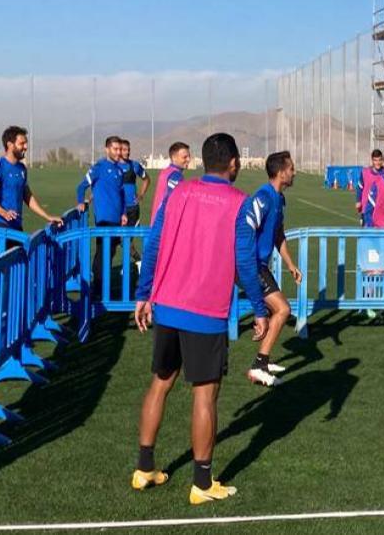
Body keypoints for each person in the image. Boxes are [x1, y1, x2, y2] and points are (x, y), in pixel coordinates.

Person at [131, 133, 270, 504]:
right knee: (205, 396)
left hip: (167, 304)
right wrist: (259, 308)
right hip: (205, 312)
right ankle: (203, 483)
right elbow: (245, 261)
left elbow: (153, 241)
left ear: (203, 161)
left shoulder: (179, 191)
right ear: (234, 163)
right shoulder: (240, 203)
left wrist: (144, 293)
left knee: (160, 383)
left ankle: (144, 468)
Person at [242, 151, 304, 387]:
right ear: (280, 173)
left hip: (261, 266)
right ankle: (259, 365)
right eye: (291, 169)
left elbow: (278, 235)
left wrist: (290, 264)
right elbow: (246, 229)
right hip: (251, 265)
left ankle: (263, 362)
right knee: (283, 309)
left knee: (278, 310)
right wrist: (245, 264)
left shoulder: (280, 199)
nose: (294, 173)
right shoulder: (263, 197)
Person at [0, 126, 63, 239]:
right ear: (10, 145)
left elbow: (28, 197)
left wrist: (47, 216)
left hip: (16, 226)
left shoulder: (22, 169)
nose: (25, 147)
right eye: (22, 143)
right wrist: (4, 213)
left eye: (26, 143)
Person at [76, 136, 127, 296]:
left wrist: (124, 213)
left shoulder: (119, 170)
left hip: (117, 219)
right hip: (104, 219)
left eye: (120, 149)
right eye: (115, 149)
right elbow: (81, 186)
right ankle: (97, 288)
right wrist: (80, 202)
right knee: (102, 253)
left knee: (110, 252)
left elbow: (121, 194)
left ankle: (102, 286)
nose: (118, 152)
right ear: (107, 149)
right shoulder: (99, 167)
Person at [150, 142, 191, 224]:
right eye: (185, 157)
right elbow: (172, 202)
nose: (188, 159)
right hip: (163, 224)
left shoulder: (166, 171)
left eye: (189, 156)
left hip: (156, 222)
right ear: (174, 158)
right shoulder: (175, 176)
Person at [119, 139, 150, 228]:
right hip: (118, 207)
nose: (127, 152)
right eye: (124, 150)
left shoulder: (135, 165)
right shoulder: (113, 166)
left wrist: (141, 194)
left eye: (129, 150)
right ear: (119, 151)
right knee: (118, 235)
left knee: (132, 235)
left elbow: (146, 179)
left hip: (133, 207)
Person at [355, 149, 384, 224]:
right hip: (366, 208)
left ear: (382, 160)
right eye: (375, 160)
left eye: (379, 160)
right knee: (366, 228)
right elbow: (360, 187)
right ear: (372, 160)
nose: (377, 163)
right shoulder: (365, 172)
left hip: (381, 209)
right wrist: (358, 201)